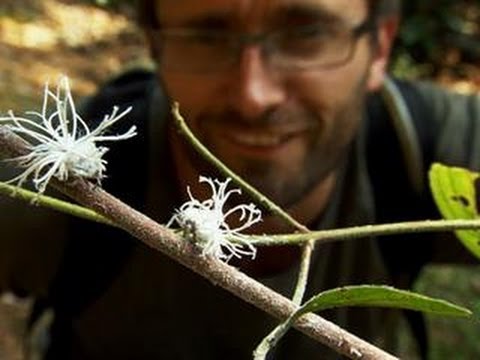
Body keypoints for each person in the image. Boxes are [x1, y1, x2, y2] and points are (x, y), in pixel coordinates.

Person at [1, 0, 479, 359]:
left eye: (306, 32)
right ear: (156, 44)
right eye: (208, 34)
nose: (255, 96)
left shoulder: (436, 149)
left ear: (380, 46)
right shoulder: (37, 189)